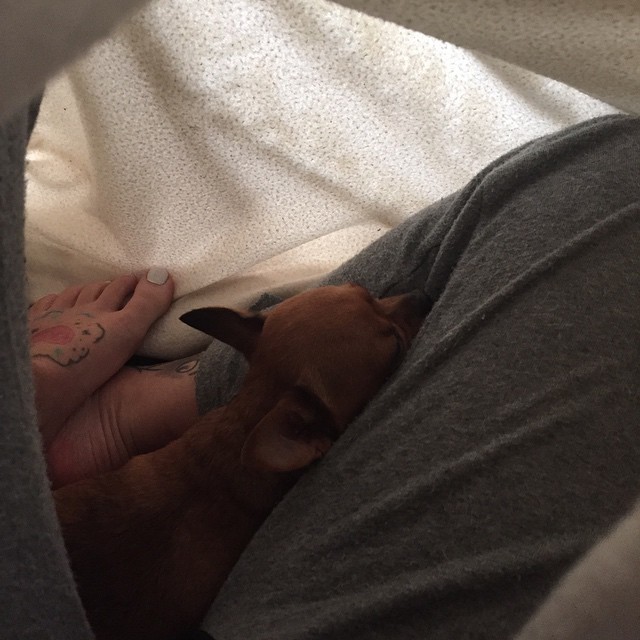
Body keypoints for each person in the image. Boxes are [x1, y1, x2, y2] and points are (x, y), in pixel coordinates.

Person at [3, 5, 640, 640]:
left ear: (244, 333)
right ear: (303, 432)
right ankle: (126, 414)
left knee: (604, 168)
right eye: (391, 331)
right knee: (610, 176)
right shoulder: (282, 444)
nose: (407, 302)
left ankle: (124, 417)